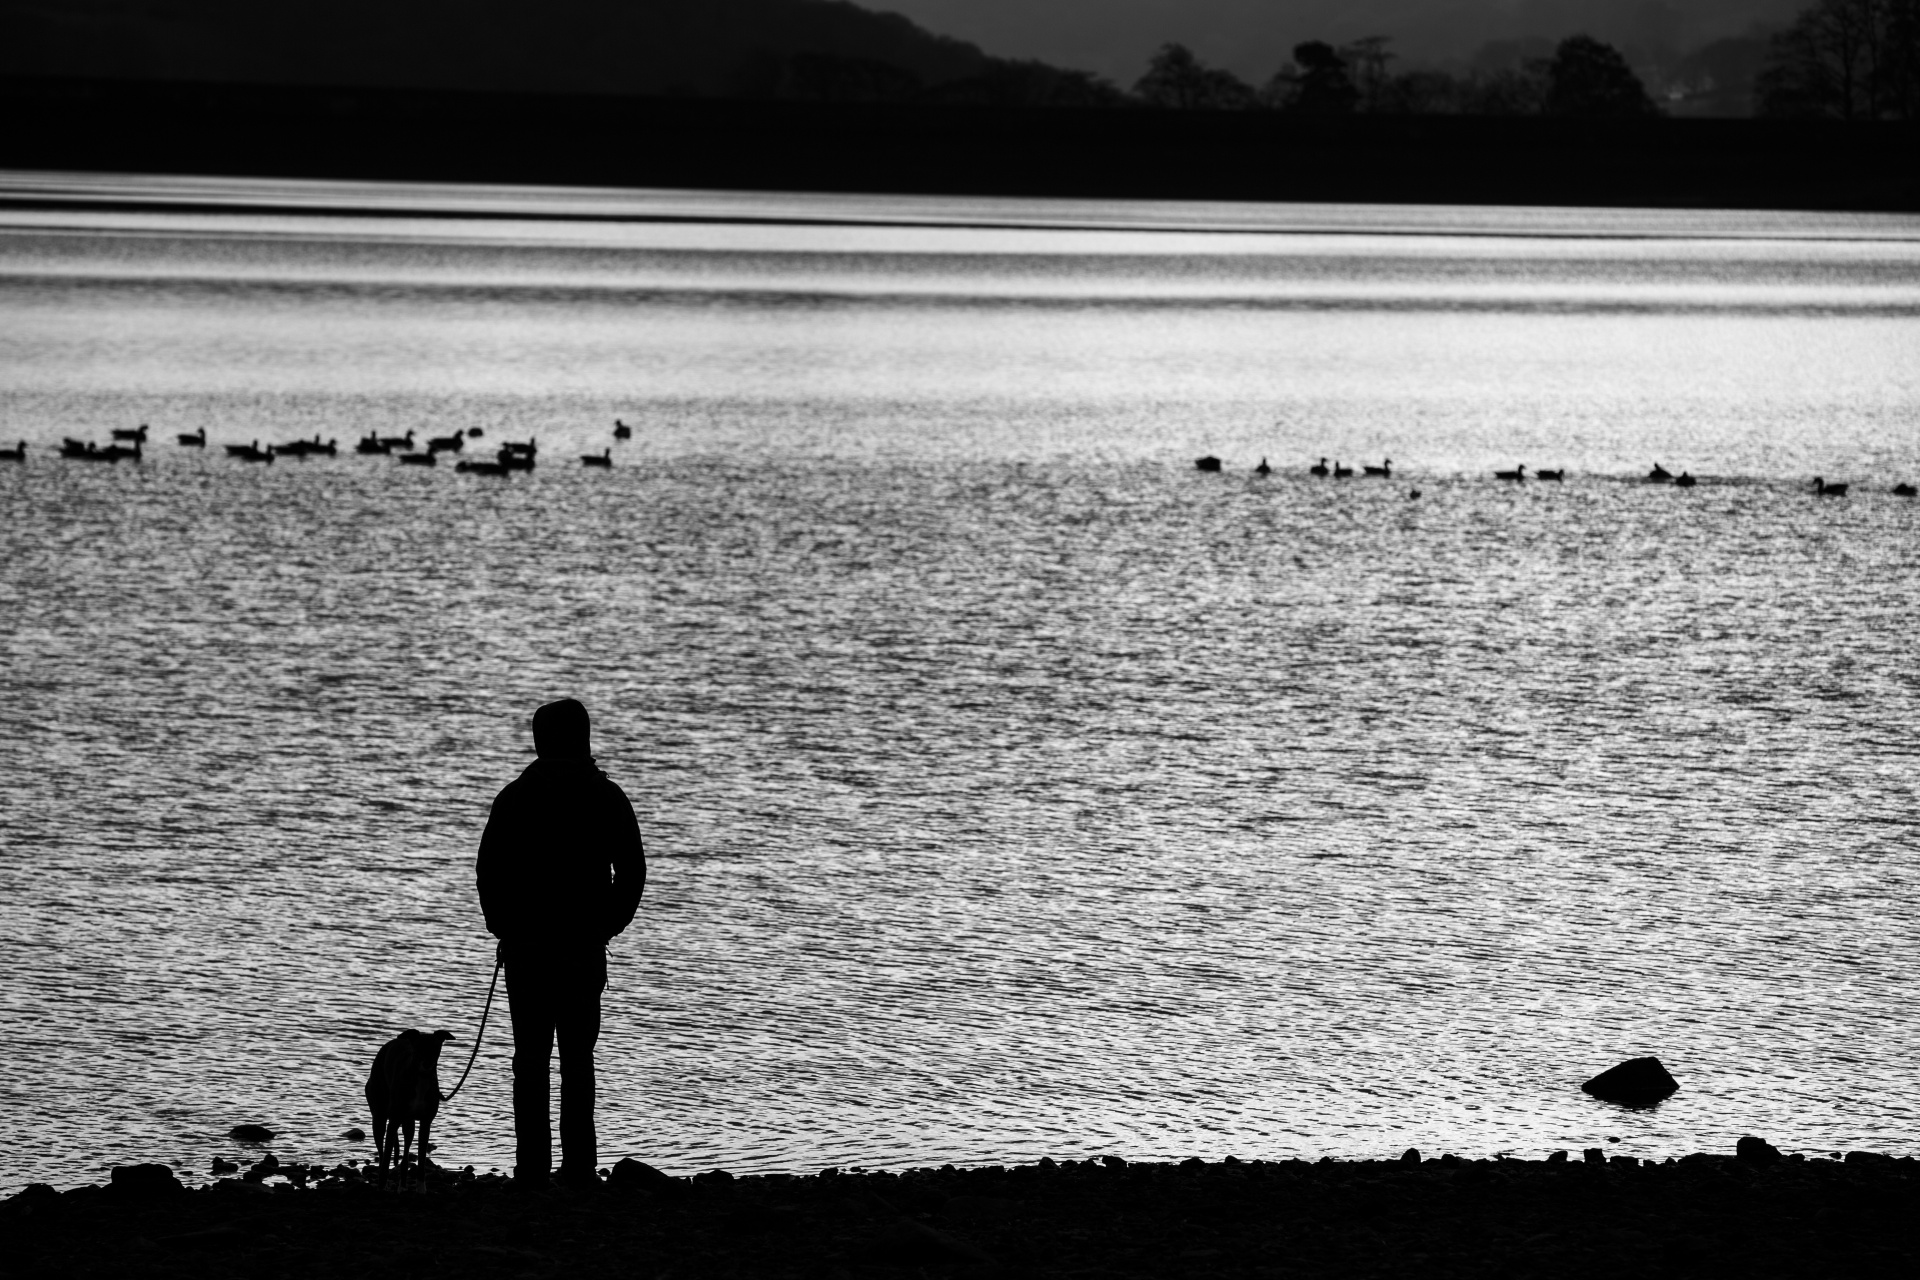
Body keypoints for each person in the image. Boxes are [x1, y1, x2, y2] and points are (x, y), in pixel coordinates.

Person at [476, 699, 645, 1188]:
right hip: (579, 946)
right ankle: (578, 1170)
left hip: (529, 947)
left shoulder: (514, 797)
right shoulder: (606, 796)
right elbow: (632, 870)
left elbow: (489, 871)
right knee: (577, 1058)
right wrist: (608, 925)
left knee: (530, 1059)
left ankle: (531, 1170)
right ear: (583, 737)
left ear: (540, 739)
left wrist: (503, 925)